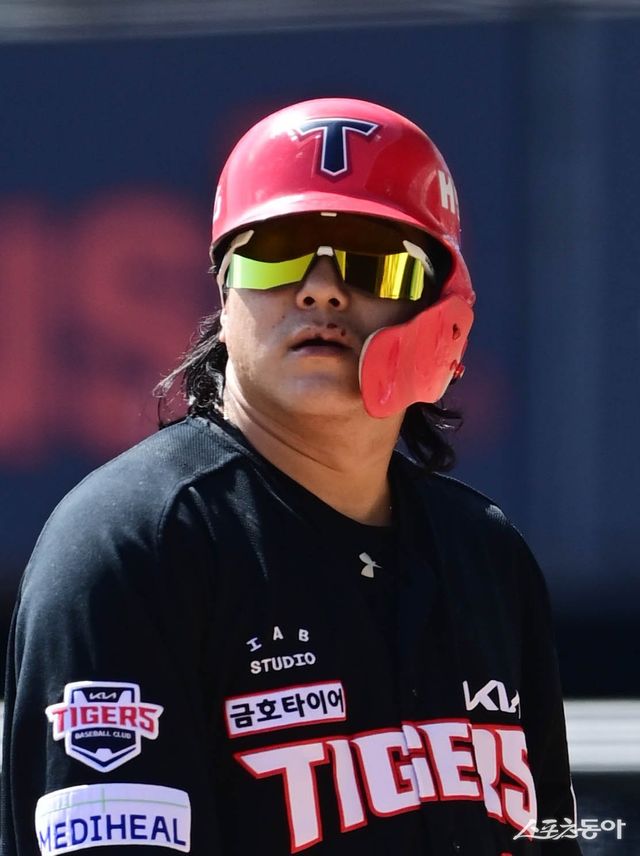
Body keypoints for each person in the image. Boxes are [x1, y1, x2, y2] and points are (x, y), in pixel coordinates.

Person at [1, 98, 580, 855]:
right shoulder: (132, 546)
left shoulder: (487, 555)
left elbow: (552, 831)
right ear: (223, 294)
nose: (320, 289)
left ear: (441, 303)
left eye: (371, 258)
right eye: (277, 251)